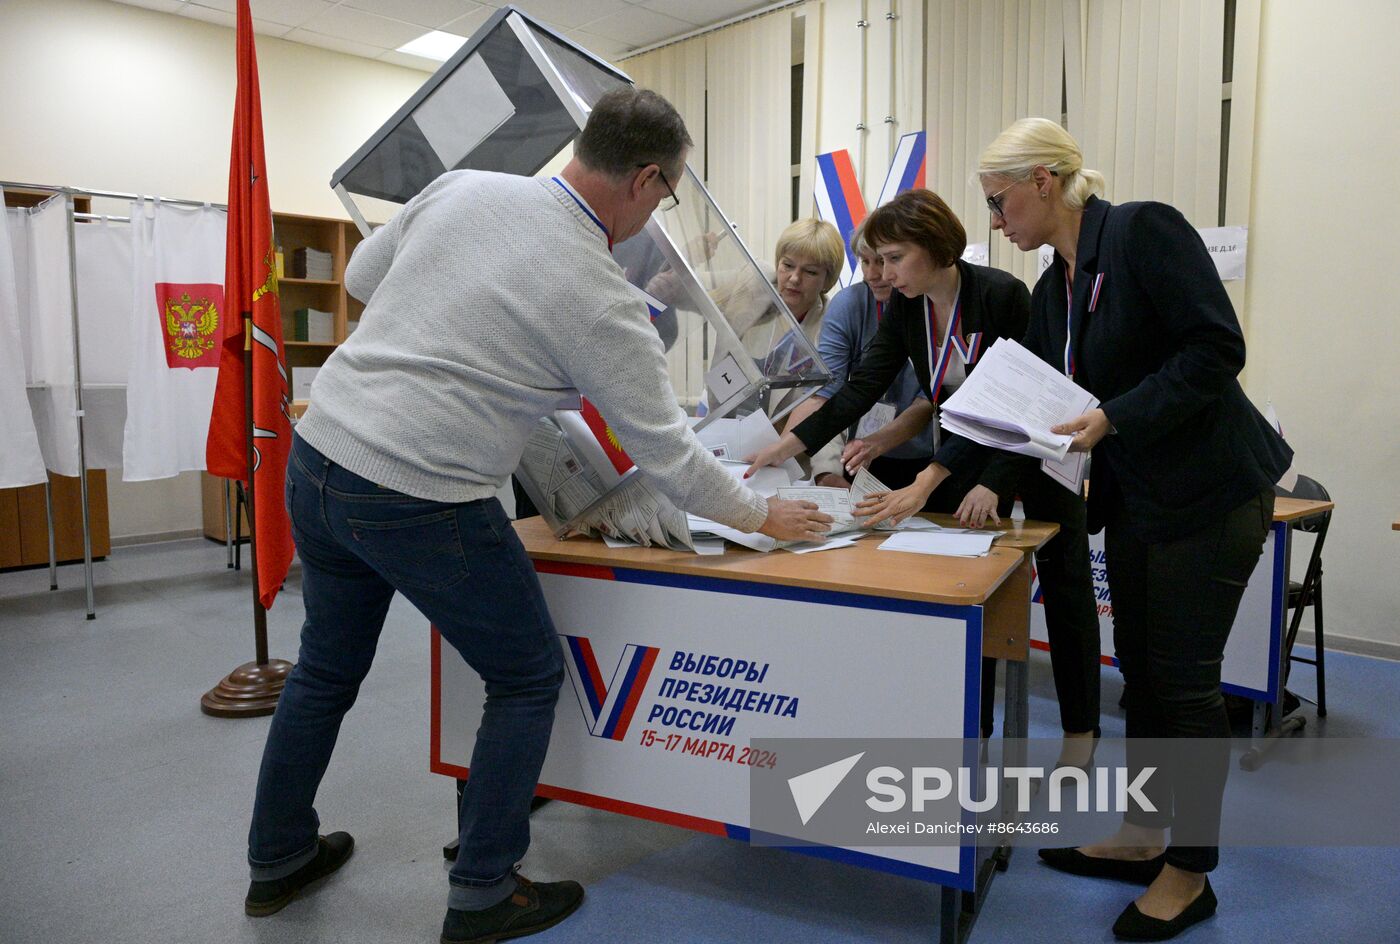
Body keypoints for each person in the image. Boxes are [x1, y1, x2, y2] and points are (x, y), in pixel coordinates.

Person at [242, 87, 831, 944]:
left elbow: (364, 279)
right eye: (665, 197)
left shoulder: (466, 186)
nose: (656, 210)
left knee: (325, 670)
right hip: (421, 490)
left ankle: (277, 858)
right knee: (522, 676)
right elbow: (667, 454)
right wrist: (758, 515)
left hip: (321, 453)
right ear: (646, 178)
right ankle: (484, 890)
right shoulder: (598, 290)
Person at [976, 117, 1291, 941]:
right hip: (1141, 502)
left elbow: (1216, 348)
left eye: (999, 200)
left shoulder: (1143, 230)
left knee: (1184, 687)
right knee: (1145, 682)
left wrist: (1114, 416)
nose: (995, 221)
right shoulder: (1054, 290)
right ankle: (1144, 835)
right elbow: (1045, 402)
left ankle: (1190, 874)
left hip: (1212, 493)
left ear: (1044, 180)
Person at [745, 189, 1102, 761]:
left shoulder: (1000, 294)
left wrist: (981, 480)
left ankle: (1080, 736)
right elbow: (861, 385)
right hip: (961, 454)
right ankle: (974, 734)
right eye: (876, 260)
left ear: (936, 248)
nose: (882, 274)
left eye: (893, 258)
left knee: (1063, 590)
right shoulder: (908, 308)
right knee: (972, 595)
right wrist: (788, 443)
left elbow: (1020, 409)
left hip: (1034, 455)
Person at [781, 222, 936, 491]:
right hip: (859, 456)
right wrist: (781, 454)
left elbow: (928, 401)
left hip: (922, 453)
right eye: (865, 262)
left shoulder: (928, 306)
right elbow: (825, 395)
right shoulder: (849, 304)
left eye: (883, 261)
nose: (873, 274)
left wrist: (877, 442)